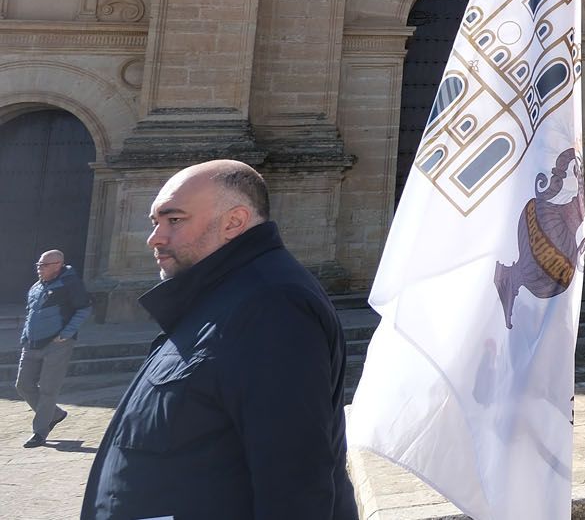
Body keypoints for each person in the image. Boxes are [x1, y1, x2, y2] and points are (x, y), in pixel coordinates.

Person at [80, 159, 358, 520]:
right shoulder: (225, 295)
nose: (155, 237)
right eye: (155, 222)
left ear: (234, 222)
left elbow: (293, 479)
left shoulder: (271, 305)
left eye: (174, 220)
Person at [18, 247, 90, 448]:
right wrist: (25, 336)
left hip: (57, 345)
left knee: (49, 390)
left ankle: (40, 433)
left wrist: (66, 334)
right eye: (38, 264)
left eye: (44, 265)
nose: (39, 268)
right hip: (31, 343)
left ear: (58, 265)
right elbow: (30, 314)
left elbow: (84, 309)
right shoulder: (37, 286)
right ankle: (55, 414)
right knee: (23, 385)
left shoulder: (70, 284)